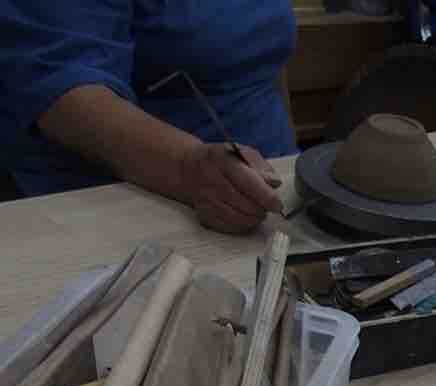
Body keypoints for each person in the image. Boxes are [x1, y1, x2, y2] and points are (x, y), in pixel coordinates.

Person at [0, 2, 299, 233]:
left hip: (278, 194)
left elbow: (261, 58)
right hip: (124, 214)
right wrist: (188, 168)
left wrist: (295, 166)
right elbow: (63, 89)